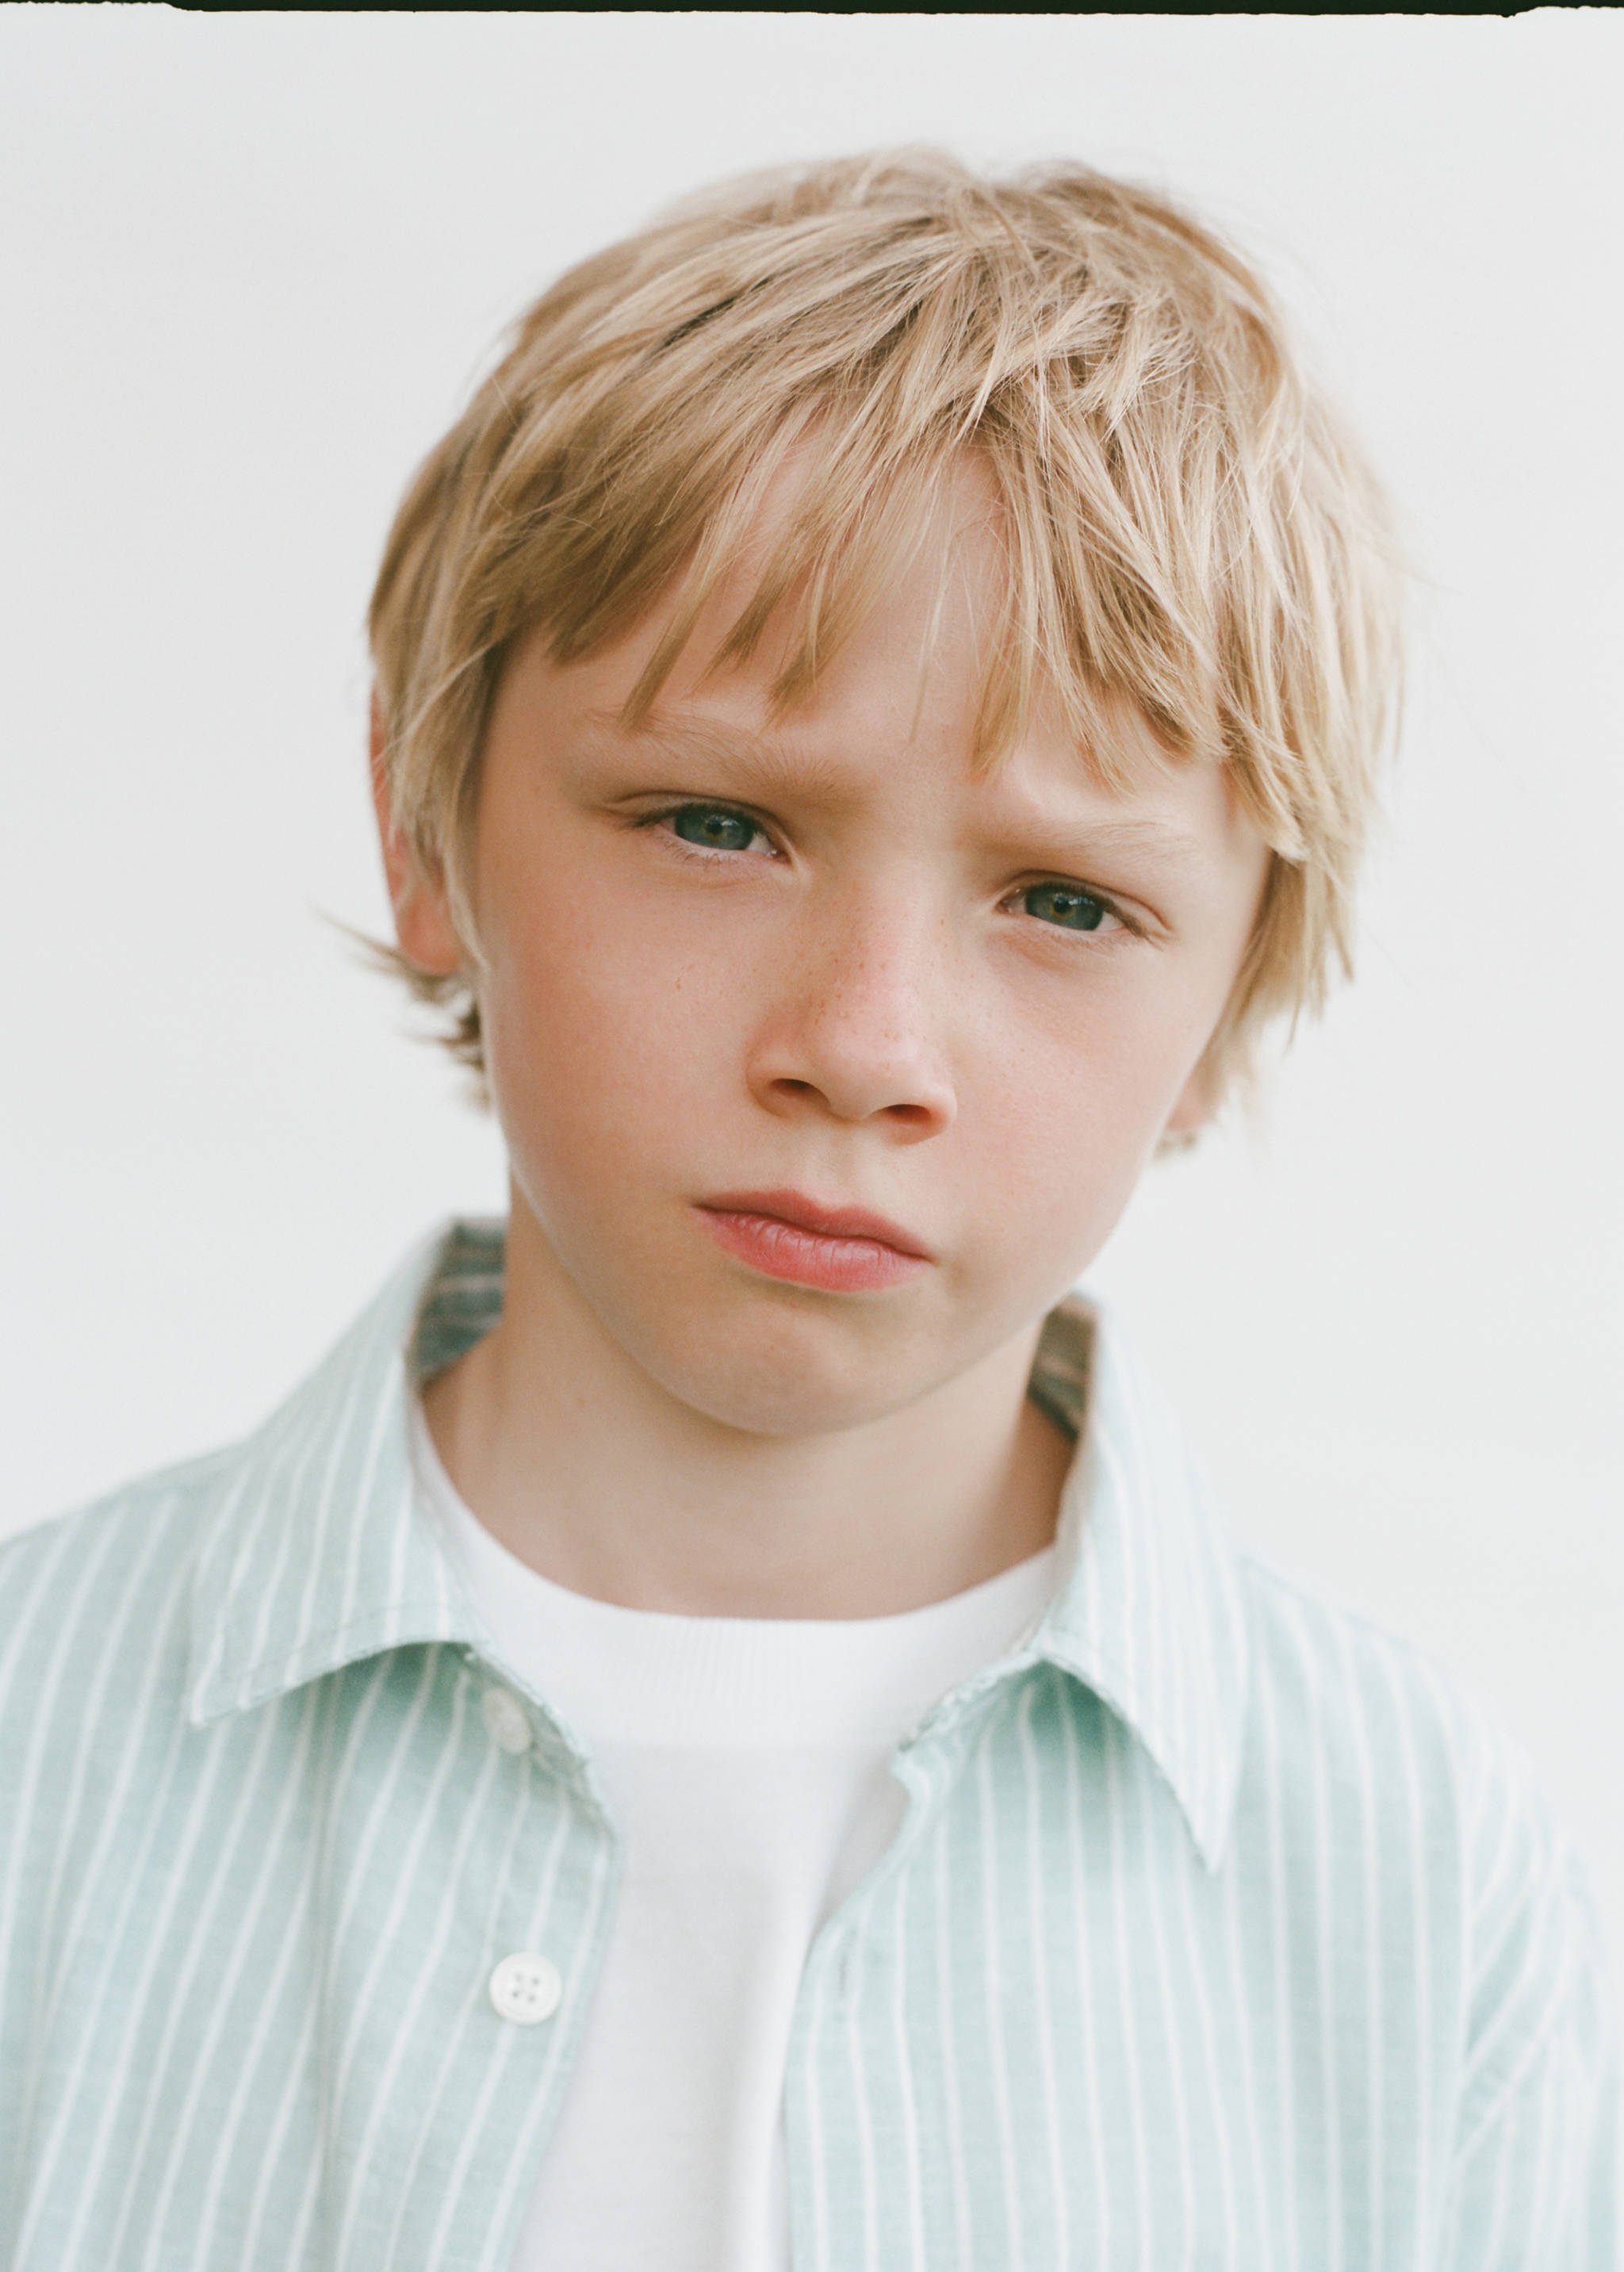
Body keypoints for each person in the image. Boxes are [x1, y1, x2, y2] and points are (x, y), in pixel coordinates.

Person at [0, 151, 1615, 2272]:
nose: (865, 1043)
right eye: (720, 823)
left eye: (1065, 899)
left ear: (1229, 1002)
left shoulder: (1417, 1870)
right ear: (424, 829)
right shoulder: (38, 1737)